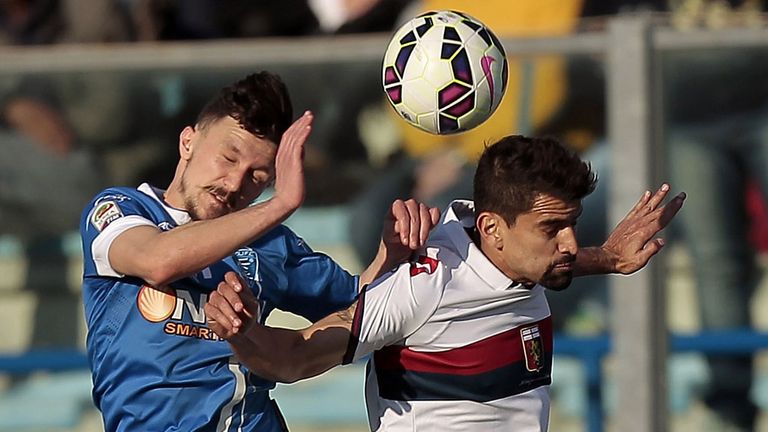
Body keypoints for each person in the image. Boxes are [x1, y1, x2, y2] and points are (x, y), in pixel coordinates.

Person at [204, 135, 686, 431]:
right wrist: (240, 331)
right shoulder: (425, 283)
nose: (569, 242)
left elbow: (550, 262)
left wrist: (609, 257)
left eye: (572, 223)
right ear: (493, 228)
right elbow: (296, 357)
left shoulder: (519, 259)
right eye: (551, 228)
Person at [79, 71, 442, 431]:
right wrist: (280, 203)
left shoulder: (269, 244)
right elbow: (157, 261)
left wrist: (389, 257)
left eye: (257, 176)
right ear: (188, 141)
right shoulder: (122, 210)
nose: (235, 183)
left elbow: (359, 311)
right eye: (229, 157)